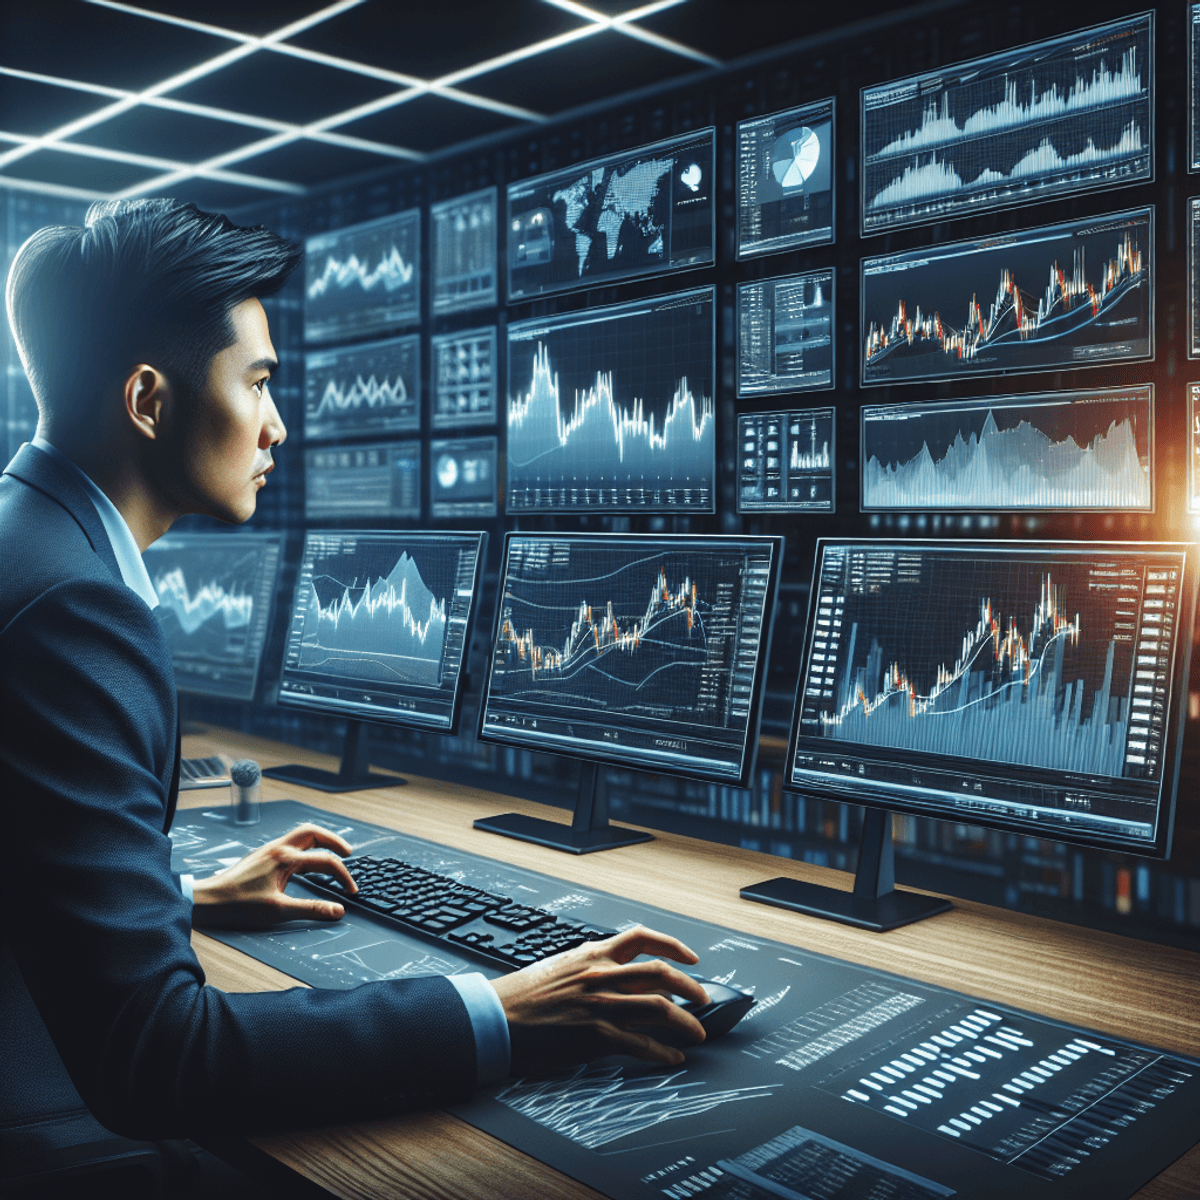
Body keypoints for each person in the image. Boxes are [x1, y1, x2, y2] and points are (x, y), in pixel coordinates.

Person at [0, 198, 709, 1141]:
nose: (276, 427)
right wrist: (504, 1011)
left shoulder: (28, 538)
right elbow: (158, 1057)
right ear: (147, 400)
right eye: (256, 385)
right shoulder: (74, 611)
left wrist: (181, 895)